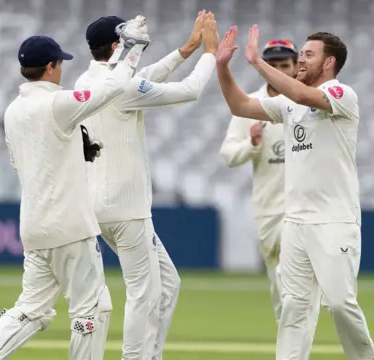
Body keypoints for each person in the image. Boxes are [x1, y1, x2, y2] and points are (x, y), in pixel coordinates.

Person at [0, 16, 151, 360]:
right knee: (92, 310)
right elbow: (109, 90)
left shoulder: (13, 110)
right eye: (60, 63)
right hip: (70, 226)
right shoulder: (56, 103)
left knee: (32, 308)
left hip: (35, 226)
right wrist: (131, 50)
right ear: (50, 67)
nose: (62, 69)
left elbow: (29, 159)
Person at [215, 25, 374, 360]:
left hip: (334, 221)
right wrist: (222, 67)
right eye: (301, 54)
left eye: (308, 55)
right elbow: (241, 106)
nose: (300, 60)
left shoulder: (341, 94)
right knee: (294, 308)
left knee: (339, 303)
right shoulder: (288, 106)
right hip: (295, 223)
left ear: (329, 62)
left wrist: (259, 64)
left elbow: (306, 96)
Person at [74, 11, 218, 360]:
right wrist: (210, 53)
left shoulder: (85, 81)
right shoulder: (121, 87)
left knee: (167, 284)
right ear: (116, 45)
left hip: (100, 205)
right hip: (127, 209)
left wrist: (186, 50)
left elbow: (142, 78)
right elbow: (190, 90)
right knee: (143, 293)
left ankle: (149, 354)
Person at [218, 38, 320, 360]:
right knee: (282, 294)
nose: (279, 71)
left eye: (284, 66)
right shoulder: (251, 105)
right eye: (272, 66)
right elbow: (228, 156)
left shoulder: (308, 102)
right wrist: (251, 143)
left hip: (305, 210)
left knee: (301, 290)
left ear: (294, 66)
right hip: (269, 212)